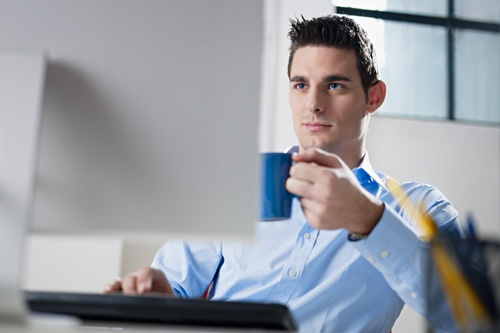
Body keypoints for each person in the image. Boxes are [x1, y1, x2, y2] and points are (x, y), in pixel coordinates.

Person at [105, 15, 463, 332]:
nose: (314, 103)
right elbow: (173, 288)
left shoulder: (418, 206)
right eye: (300, 84)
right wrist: (158, 300)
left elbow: (471, 319)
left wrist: (368, 219)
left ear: (374, 97)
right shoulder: (243, 182)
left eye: (334, 85)